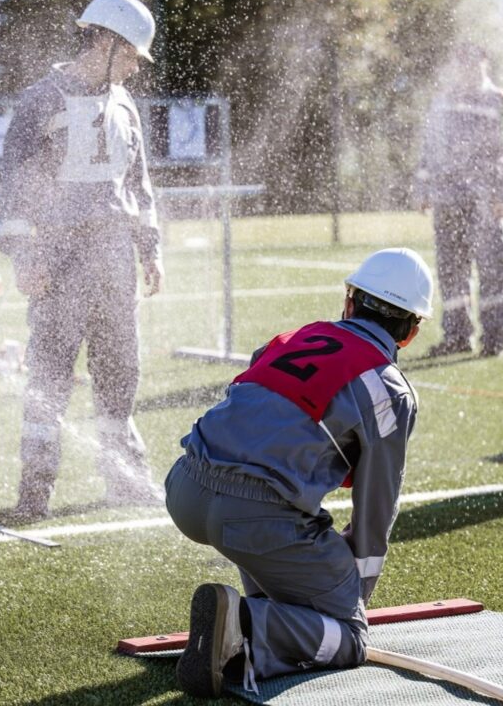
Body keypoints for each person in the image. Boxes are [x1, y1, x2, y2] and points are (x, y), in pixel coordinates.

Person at [165, 247, 433, 698]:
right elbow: (375, 511)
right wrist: (353, 602)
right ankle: (242, 625)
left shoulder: (293, 337)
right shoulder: (389, 388)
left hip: (185, 486)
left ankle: (252, 613)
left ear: (350, 302)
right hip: (254, 518)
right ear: (410, 332)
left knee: (279, 539)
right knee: (348, 636)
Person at [0, 0, 164, 518]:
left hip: (114, 261)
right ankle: (35, 490)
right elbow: (14, 189)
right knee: (49, 378)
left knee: (120, 375)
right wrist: (25, 255)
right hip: (58, 262)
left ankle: (126, 480)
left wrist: (149, 250)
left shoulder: (124, 103)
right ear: (108, 41)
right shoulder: (39, 101)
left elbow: (139, 184)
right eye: (133, 53)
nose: (137, 66)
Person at [413, 41, 503, 357]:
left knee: (491, 271)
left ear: (484, 63)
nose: (466, 67)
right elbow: (429, 148)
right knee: (451, 272)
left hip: (486, 202)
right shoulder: (443, 103)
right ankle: (457, 336)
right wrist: (423, 189)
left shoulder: (502, 103)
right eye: (461, 62)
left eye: (472, 61)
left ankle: (495, 338)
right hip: (447, 201)